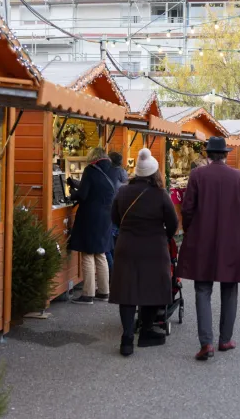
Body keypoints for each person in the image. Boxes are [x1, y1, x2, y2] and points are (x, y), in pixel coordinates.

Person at [176, 137, 240, 361]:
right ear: (225, 154)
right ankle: (225, 339)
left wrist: (192, 231)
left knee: (203, 290)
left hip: (203, 240)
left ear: (208, 154)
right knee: (229, 289)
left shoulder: (197, 176)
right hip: (232, 241)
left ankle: (206, 343)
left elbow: (188, 209)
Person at [110, 148, 179, 357]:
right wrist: (164, 236)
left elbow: (114, 218)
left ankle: (127, 338)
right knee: (152, 290)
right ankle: (147, 331)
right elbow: (173, 223)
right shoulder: (161, 194)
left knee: (127, 293)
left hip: (126, 247)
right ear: (154, 173)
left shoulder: (122, 192)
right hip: (153, 249)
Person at [67, 147, 115, 305]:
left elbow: (83, 195)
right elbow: (98, 187)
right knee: (100, 253)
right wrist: (77, 184)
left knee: (87, 254)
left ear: (93, 157)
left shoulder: (90, 169)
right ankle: (104, 291)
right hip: (106, 216)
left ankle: (87, 294)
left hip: (91, 217)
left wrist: (72, 193)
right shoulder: (111, 170)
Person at [105, 151, 129, 277]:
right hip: (121, 214)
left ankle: (114, 274)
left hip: (111, 212)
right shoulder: (123, 174)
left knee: (109, 247)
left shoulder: (109, 173)